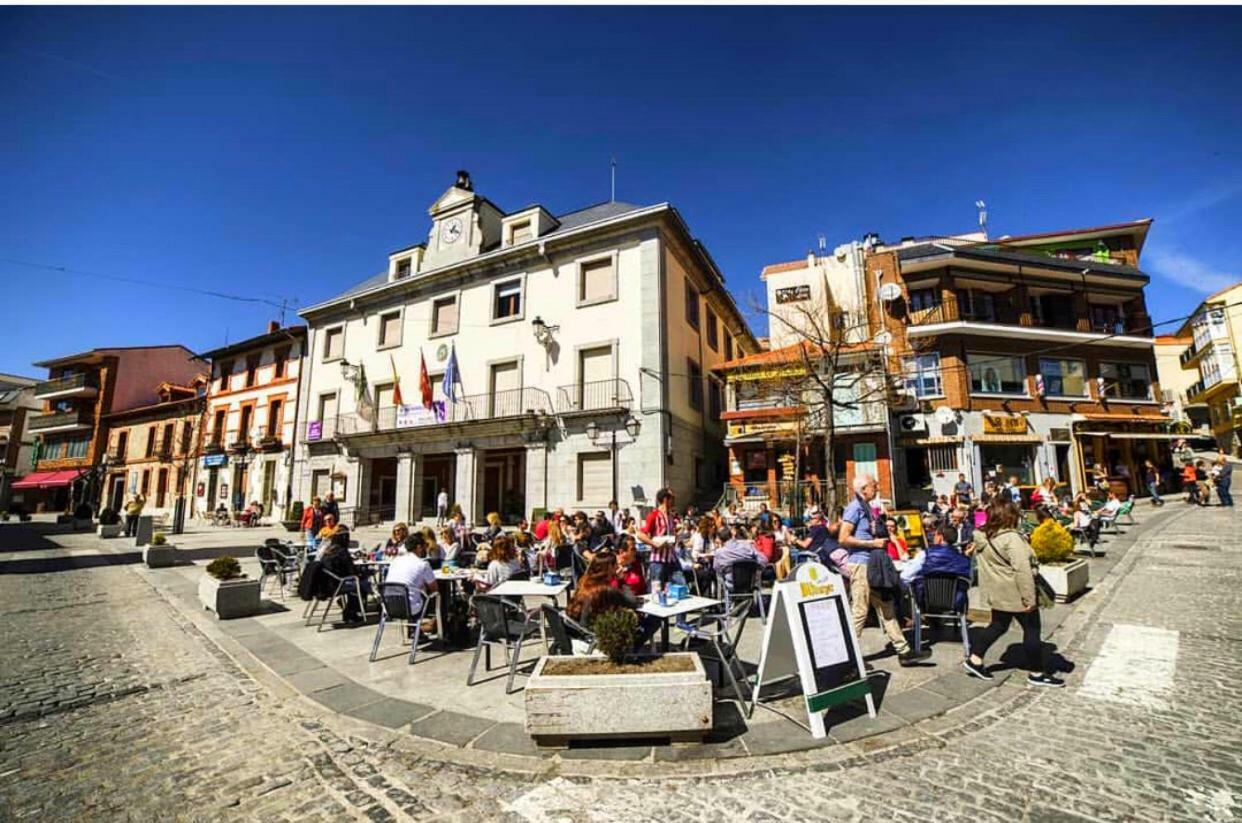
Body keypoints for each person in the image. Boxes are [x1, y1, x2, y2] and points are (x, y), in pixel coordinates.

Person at [964, 499, 1065, 687]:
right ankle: (1036, 672)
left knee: (998, 626)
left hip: (997, 592)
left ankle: (975, 659)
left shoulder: (982, 536)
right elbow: (1022, 570)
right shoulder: (1011, 539)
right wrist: (1029, 598)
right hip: (1016, 593)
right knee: (1032, 630)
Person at [839, 475, 930, 666]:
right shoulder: (854, 508)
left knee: (886, 607)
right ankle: (846, 655)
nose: (877, 487)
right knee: (860, 610)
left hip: (873, 565)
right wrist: (872, 543)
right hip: (861, 564)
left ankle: (904, 651)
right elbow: (843, 538)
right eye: (874, 485)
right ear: (864, 489)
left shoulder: (867, 508)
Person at [318, 529, 370, 624]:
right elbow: (352, 571)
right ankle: (351, 613)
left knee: (358, 582)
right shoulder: (342, 552)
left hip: (324, 585)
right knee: (361, 584)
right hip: (336, 585)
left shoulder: (327, 551)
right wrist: (365, 573)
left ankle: (352, 608)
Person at [384, 532, 437, 621]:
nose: (426, 549)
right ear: (419, 547)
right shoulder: (423, 564)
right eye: (425, 546)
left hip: (388, 606)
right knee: (435, 596)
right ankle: (435, 626)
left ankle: (415, 630)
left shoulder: (395, 561)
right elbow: (434, 589)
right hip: (410, 608)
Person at [638, 487, 679, 585]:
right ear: (665, 499)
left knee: (680, 586)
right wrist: (654, 543)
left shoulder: (671, 516)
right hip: (658, 560)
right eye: (672, 498)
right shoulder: (653, 515)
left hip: (672, 558)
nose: (674, 501)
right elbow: (640, 534)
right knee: (657, 588)